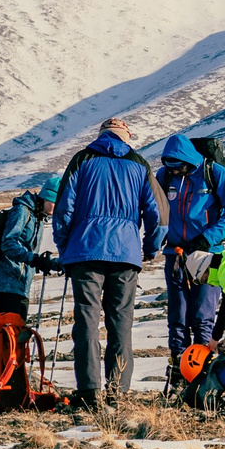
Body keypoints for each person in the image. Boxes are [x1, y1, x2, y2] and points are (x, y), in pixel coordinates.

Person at [52, 117, 162, 409]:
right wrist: (149, 248)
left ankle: (89, 392)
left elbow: (64, 209)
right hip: (125, 253)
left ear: (100, 135)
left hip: (85, 252)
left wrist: (65, 248)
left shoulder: (82, 159)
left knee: (87, 322)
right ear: (125, 136)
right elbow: (158, 214)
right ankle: (118, 391)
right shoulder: (139, 164)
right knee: (121, 323)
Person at [158, 134, 225, 366]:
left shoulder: (214, 173)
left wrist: (207, 238)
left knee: (202, 316)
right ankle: (179, 365)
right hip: (175, 255)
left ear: (188, 160)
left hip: (208, 256)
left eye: (178, 166)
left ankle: (204, 366)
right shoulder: (164, 176)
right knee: (178, 316)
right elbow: (156, 208)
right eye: (170, 166)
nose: (175, 171)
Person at [0, 174, 58, 323]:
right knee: (7, 335)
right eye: (56, 201)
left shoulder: (39, 217)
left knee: (17, 335)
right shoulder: (22, 211)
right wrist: (34, 260)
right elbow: (8, 243)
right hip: (5, 283)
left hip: (21, 284)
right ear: (46, 197)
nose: (58, 206)